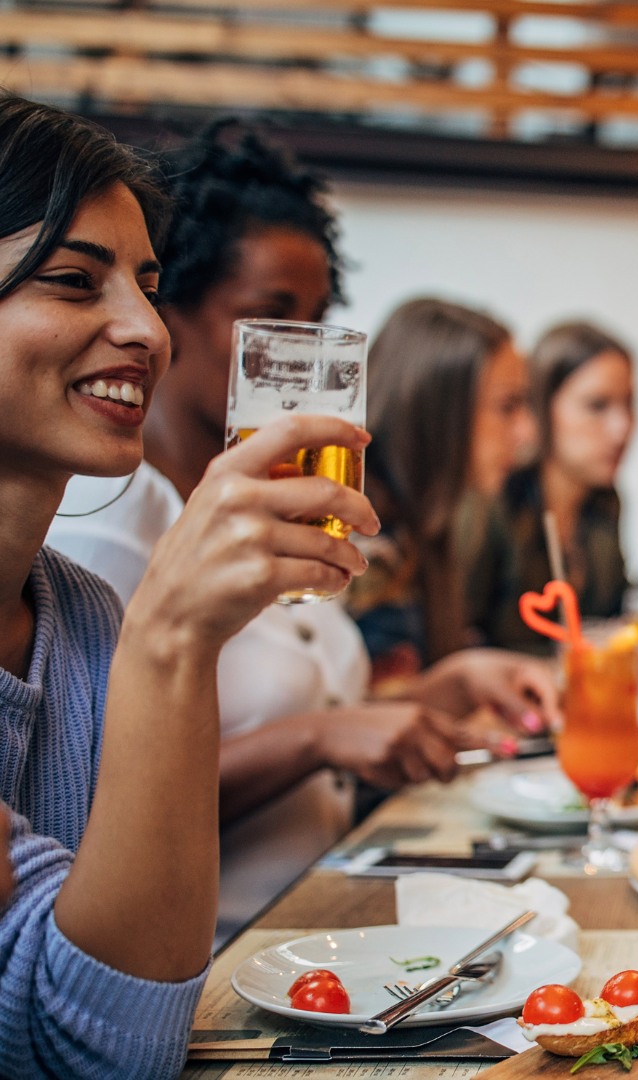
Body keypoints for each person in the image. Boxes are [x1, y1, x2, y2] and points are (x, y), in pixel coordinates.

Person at [45, 125, 559, 946]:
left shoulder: (260, 502)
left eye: (318, 322)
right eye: (268, 319)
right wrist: (319, 740)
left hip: (322, 933)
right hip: (218, 962)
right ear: (170, 311)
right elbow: (86, 811)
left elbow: (319, 712)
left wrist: (444, 687)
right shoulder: (103, 525)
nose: (301, 355)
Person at [0, 95, 379, 1077]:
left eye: (149, 285)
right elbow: (96, 1053)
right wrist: (171, 632)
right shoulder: (128, 606)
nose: (145, 329)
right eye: (75, 281)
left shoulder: (79, 615)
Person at [468, 321, 638, 653]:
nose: (623, 428)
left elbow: (625, 623)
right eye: (597, 405)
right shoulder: (494, 500)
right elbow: (461, 644)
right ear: (541, 408)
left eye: (629, 404)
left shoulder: (602, 502)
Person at [350, 297, 539, 681]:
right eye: (507, 406)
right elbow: (376, 716)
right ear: (436, 409)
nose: (526, 433)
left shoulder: (427, 523)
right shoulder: (367, 538)